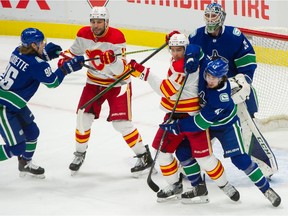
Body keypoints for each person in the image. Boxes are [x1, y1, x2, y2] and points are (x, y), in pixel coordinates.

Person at [166, 2, 277, 178]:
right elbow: (186, 59)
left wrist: (243, 81)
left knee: (245, 128)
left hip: (233, 93)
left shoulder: (234, 36)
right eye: (208, 16)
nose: (210, 20)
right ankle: (192, 164)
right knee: (200, 131)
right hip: (206, 94)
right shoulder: (196, 36)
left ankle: (262, 163)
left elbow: (247, 63)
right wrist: (176, 41)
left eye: (214, 16)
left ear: (222, 17)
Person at [129, 34, 239, 203]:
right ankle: (176, 185)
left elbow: (166, 90)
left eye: (179, 49)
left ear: (186, 49)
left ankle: (224, 185)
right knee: (163, 153)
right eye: (172, 49)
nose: (175, 53)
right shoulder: (185, 58)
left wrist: (143, 72)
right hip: (172, 115)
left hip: (191, 115)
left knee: (204, 158)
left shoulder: (183, 65)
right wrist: (176, 37)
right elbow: (197, 50)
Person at [160, 58, 281, 207]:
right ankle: (198, 187)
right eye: (209, 76)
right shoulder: (206, 74)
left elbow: (200, 123)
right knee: (183, 152)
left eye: (214, 78)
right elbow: (200, 53)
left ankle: (266, 189)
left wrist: (177, 126)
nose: (210, 80)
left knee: (240, 160)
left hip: (226, 127)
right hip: (208, 127)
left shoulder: (221, 97)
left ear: (223, 77)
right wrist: (192, 56)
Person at [58, 6, 153, 176]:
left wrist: (112, 61)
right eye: (93, 22)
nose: (96, 25)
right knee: (82, 118)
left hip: (118, 83)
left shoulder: (117, 37)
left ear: (106, 22)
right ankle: (79, 153)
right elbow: (71, 52)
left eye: (99, 22)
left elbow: (120, 70)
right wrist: (65, 61)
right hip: (93, 82)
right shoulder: (83, 34)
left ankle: (144, 156)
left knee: (121, 124)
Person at [0, 27, 84, 178]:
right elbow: (52, 82)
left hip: (13, 103)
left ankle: (25, 163)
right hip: (4, 107)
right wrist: (66, 68)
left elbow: (31, 64)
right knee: (17, 147)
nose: (43, 45)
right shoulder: (38, 65)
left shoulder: (17, 50)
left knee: (32, 133)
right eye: (40, 43)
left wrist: (45, 55)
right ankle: (22, 158)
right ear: (33, 45)